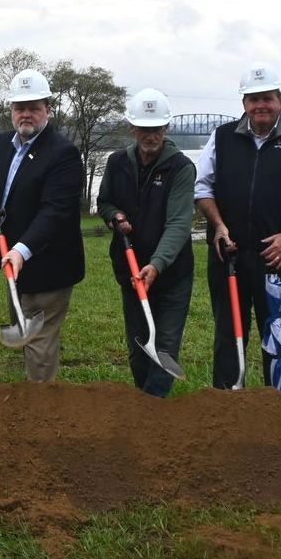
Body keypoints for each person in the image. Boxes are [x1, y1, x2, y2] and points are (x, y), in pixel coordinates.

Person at [195, 65, 281, 391]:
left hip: (277, 261)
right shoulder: (221, 138)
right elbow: (203, 188)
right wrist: (218, 226)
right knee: (229, 336)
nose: (261, 105)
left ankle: (279, 414)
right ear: (244, 102)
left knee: (280, 338)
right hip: (229, 256)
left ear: (280, 100)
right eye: (254, 99)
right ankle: (226, 407)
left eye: (267, 98)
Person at [0, 68, 86, 381]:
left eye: (34, 107)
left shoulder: (63, 153)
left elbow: (55, 212)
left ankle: (42, 415)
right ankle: (36, 407)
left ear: (48, 109)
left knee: (38, 343)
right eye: (20, 108)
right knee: (27, 335)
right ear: (11, 111)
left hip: (48, 263)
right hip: (12, 261)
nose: (26, 114)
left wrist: (22, 251)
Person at [96, 88, 195, 397]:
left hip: (170, 274)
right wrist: (115, 217)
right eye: (144, 128)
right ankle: (144, 409)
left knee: (164, 346)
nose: (150, 135)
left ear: (166, 129)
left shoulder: (181, 168)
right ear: (132, 128)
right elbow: (104, 202)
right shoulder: (116, 162)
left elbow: (179, 223)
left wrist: (157, 264)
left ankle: (152, 410)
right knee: (139, 348)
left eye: (156, 129)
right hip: (130, 270)